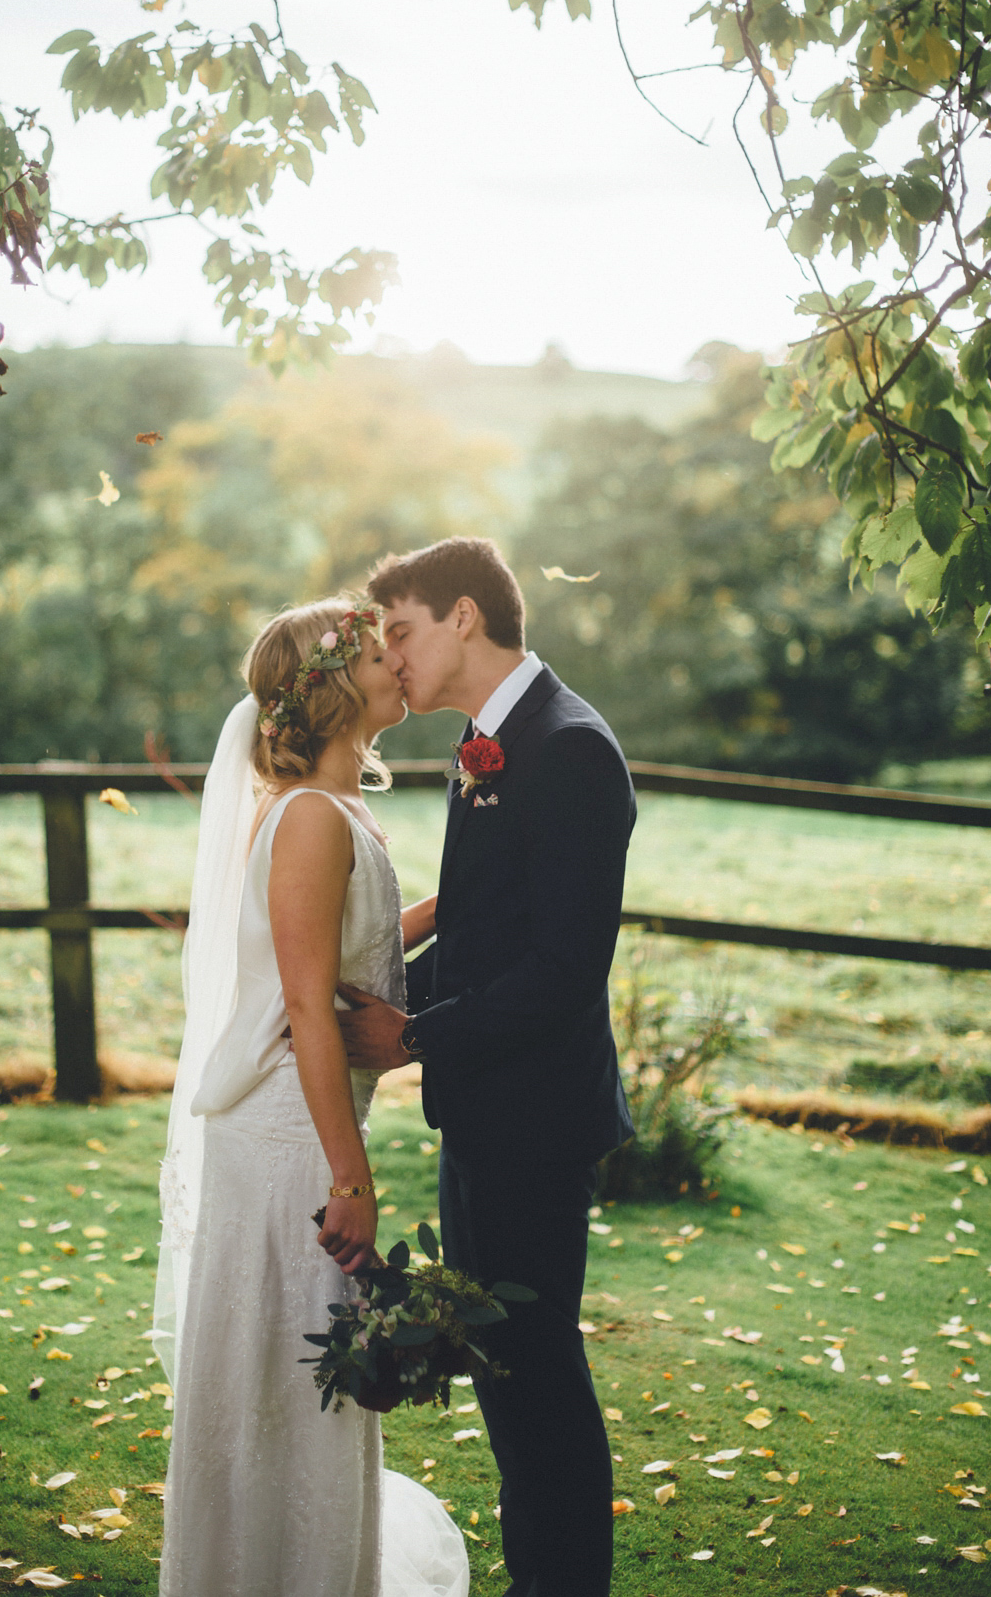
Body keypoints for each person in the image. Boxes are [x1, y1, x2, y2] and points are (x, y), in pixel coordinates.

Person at [335, 537, 636, 1597]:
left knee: (537, 1370)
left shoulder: (570, 749)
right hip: (485, 1112)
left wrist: (411, 1039)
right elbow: (478, 926)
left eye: (402, 632)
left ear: (466, 617)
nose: (392, 658)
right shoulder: (487, 744)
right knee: (505, 1369)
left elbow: (562, 969)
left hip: (539, 1121)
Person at [155, 599, 469, 1597]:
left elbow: (357, 950)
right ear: (336, 689)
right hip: (291, 1140)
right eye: (381, 654)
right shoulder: (306, 819)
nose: (398, 664)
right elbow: (306, 1004)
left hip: (312, 1122)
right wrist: (350, 1175)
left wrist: (466, 892)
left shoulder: (340, 812)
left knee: (306, 1386)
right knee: (284, 1378)